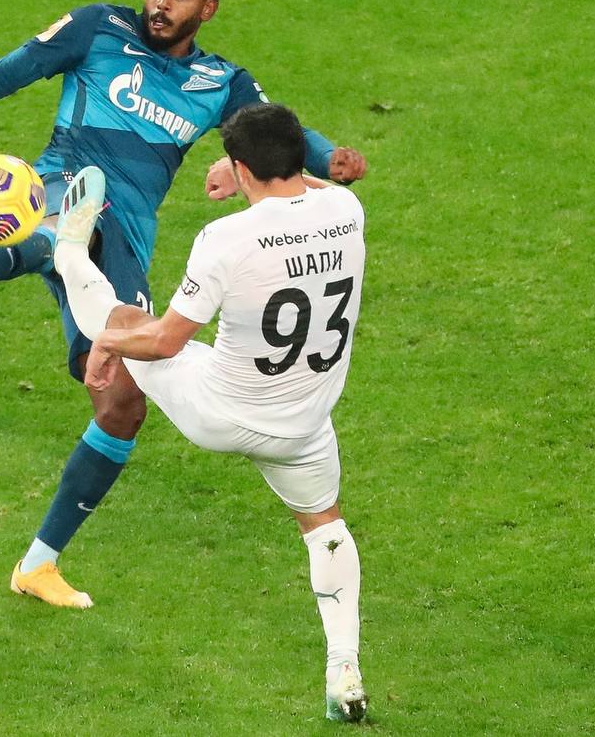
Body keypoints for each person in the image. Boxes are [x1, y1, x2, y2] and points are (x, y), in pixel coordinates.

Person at [0, 0, 367, 610]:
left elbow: (280, 135)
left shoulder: (220, 82)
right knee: (71, 220)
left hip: (127, 243)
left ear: (208, 8)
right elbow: (2, 75)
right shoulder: (98, 29)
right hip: (64, 180)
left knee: (122, 402)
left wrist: (331, 161)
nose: (160, 4)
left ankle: (38, 566)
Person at [48, 102, 368, 723]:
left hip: (219, 409)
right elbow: (311, 187)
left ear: (242, 168)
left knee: (126, 319)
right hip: (304, 424)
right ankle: (343, 671)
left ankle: (67, 250)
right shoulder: (346, 210)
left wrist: (109, 345)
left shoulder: (225, 238)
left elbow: (167, 342)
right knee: (325, 527)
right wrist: (248, 170)